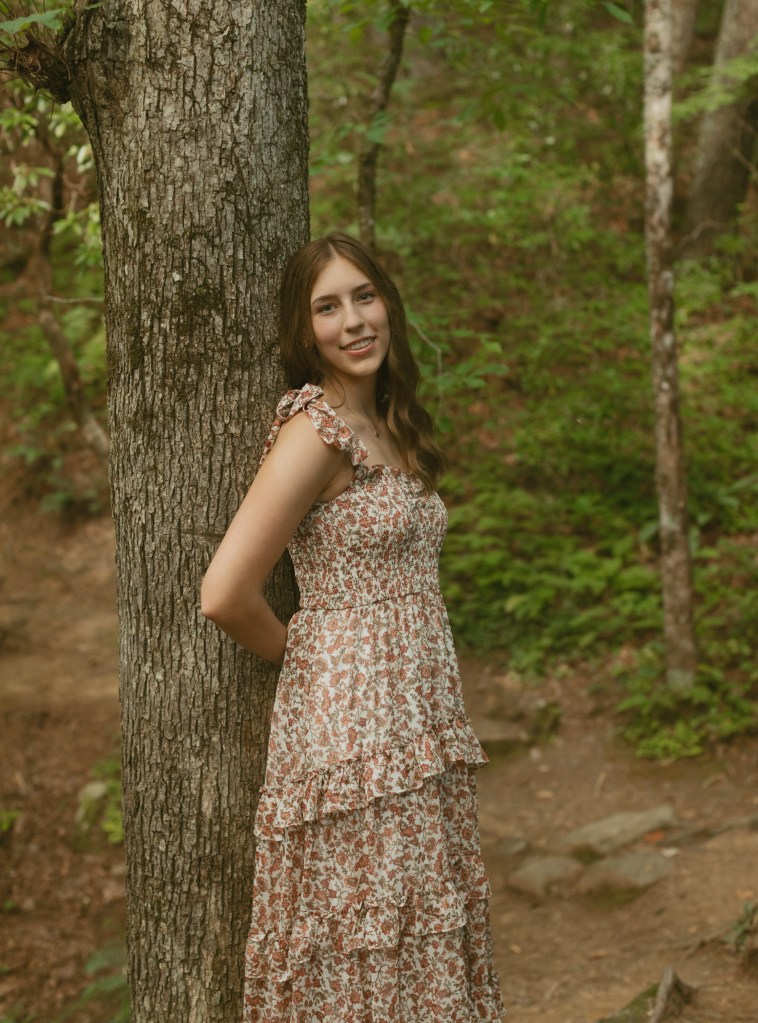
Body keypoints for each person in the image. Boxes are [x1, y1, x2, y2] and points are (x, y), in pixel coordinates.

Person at [201, 233, 505, 1021]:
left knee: (415, 921)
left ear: (387, 304)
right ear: (305, 332)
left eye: (364, 296)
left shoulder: (390, 422)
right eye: (328, 307)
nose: (354, 321)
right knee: (363, 929)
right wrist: (310, 659)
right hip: (353, 735)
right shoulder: (316, 431)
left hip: (418, 721)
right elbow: (225, 592)